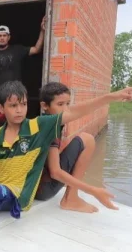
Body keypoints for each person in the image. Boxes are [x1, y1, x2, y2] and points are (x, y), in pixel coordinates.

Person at [0, 80, 132, 241]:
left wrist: (111, 97)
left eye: (23, 104)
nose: (19, 110)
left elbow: (75, 112)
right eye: (13, 106)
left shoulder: (38, 127)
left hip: (17, 198)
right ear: (1, 109)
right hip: (1, 193)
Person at [35, 82, 118, 212]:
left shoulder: (43, 121)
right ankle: (71, 198)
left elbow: (79, 109)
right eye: (60, 104)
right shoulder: (50, 127)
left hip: (38, 187)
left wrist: (111, 97)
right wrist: (93, 190)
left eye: (68, 104)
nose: (66, 109)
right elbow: (55, 172)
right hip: (44, 190)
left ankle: (71, 197)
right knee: (87, 140)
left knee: (82, 140)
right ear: (44, 105)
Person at [0, 19, 46, 125]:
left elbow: (36, 49)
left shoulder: (17, 50)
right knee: (0, 124)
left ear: (9, 37)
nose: (2, 38)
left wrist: (42, 31)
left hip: (16, 95)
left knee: (17, 123)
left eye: (4, 35)